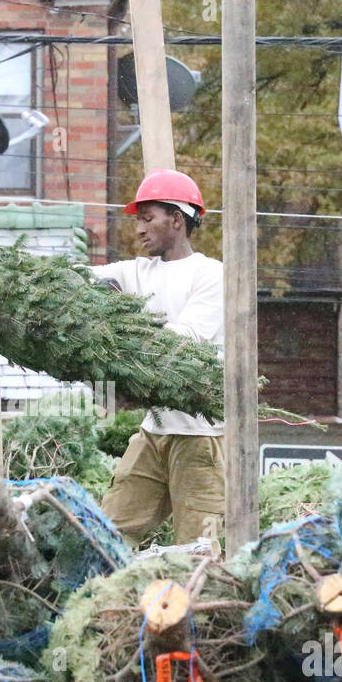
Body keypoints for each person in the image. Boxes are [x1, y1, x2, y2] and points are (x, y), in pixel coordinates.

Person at [89, 169, 226, 545]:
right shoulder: (138, 271)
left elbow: (183, 342)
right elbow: (79, 278)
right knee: (107, 536)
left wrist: (125, 342)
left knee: (201, 553)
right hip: (154, 432)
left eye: (148, 218)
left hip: (201, 437)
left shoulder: (211, 275)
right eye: (139, 221)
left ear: (177, 219)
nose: (139, 230)